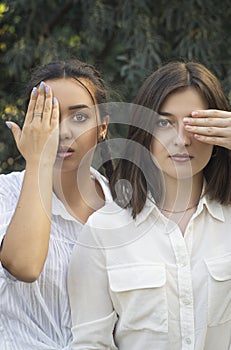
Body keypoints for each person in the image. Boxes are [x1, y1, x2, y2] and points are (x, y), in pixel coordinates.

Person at [68, 61, 231, 350]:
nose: (182, 140)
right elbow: (90, 344)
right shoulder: (104, 231)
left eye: (195, 123)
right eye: (164, 122)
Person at [0, 59, 113, 349]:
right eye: (49, 116)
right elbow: (24, 266)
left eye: (79, 117)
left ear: (103, 126)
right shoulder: (5, 194)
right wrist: (38, 159)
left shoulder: (126, 209)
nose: (63, 131)